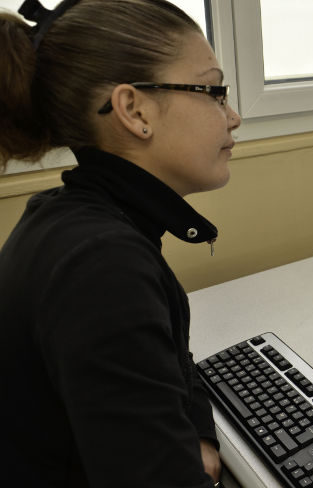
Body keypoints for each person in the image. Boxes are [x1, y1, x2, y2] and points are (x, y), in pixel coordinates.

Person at [0, 0, 241, 486]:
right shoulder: (102, 266)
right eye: (214, 91)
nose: (232, 117)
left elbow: (168, 355)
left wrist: (197, 431)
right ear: (134, 110)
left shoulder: (76, 218)